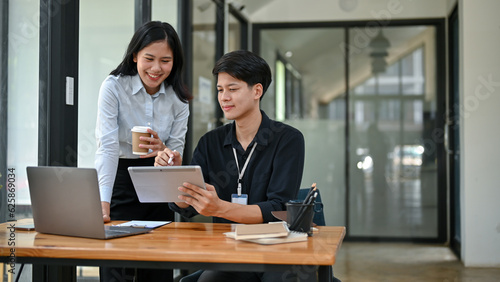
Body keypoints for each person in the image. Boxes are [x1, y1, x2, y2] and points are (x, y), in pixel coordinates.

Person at [155, 50, 306, 281]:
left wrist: (219, 208)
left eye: (232, 89)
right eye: (220, 90)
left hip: (275, 251)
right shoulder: (210, 142)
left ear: (257, 91)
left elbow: (279, 210)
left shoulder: (287, 139)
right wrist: (176, 176)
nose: (224, 97)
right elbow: (186, 208)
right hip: (228, 251)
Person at [95, 21, 191, 282]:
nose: (156, 68)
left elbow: (177, 153)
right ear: (135, 54)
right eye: (149, 58)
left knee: (157, 269)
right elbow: (107, 148)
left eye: (165, 60)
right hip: (120, 180)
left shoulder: (178, 99)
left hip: (159, 182)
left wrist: (166, 153)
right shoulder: (114, 86)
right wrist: (103, 202)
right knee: (116, 269)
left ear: (175, 62)